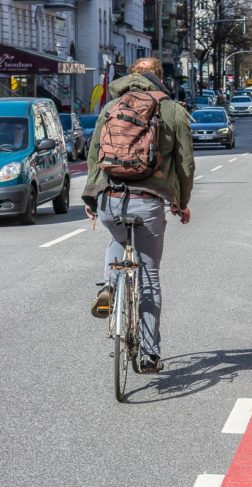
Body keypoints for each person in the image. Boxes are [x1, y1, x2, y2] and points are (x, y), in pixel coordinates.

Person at [83, 57, 195, 373]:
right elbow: (185, 164)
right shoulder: (172, 110)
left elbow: (94, 156)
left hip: (110, 199)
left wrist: (92, 197)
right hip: (148, 202)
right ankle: (149, 354)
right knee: (149, 273)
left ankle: (109, 285)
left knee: (117, 241)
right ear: (160, 77)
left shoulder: (112, 106)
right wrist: (181, 202)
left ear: (131, 75)